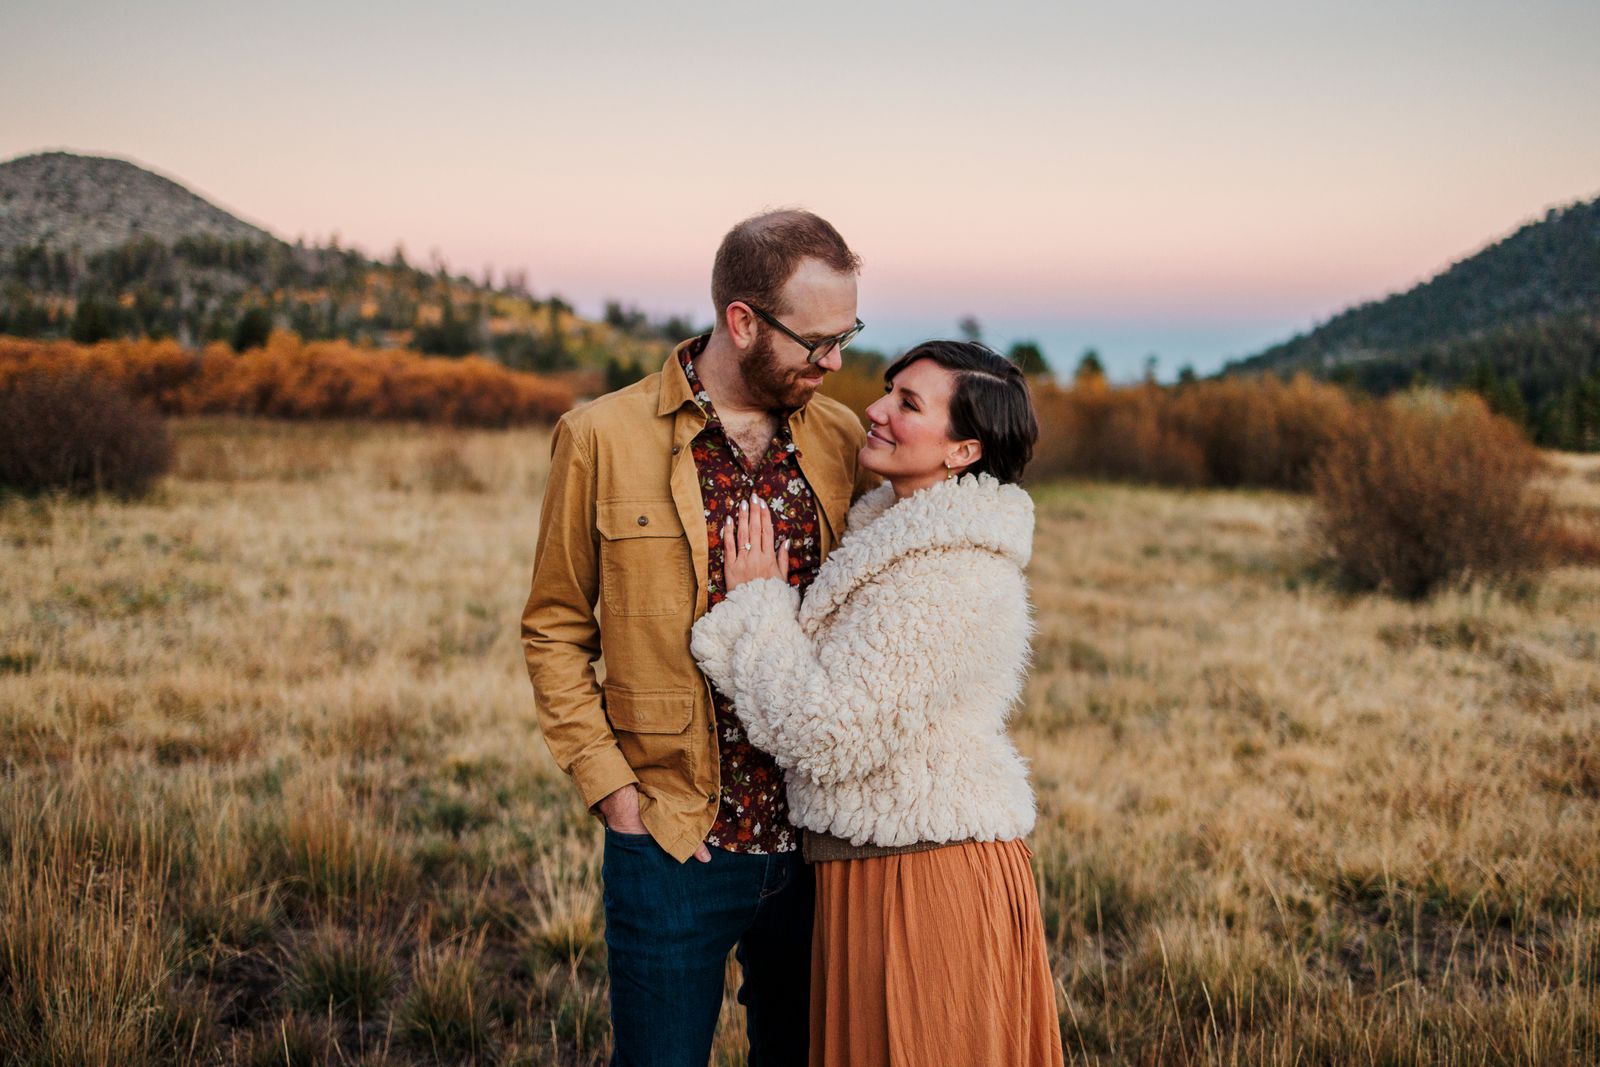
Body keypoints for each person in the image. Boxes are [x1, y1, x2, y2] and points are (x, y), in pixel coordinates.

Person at [520, 209, 879, 1067]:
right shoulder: (600, 437)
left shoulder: (841, 440)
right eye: (817, 341)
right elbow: (555, 630)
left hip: (817, 845)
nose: (835, 363)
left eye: (848, 335)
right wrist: (617, 795)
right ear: (742, 321)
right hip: (673, 841)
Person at [690, 340, 1065, 1066]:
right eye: (889, 389)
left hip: (923, 881)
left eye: (908, 403)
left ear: (962, 451)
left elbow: (828, 730)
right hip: (875, 868)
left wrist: (760, 604)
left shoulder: (953, 575)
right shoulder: (895, 539)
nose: (876, 407)